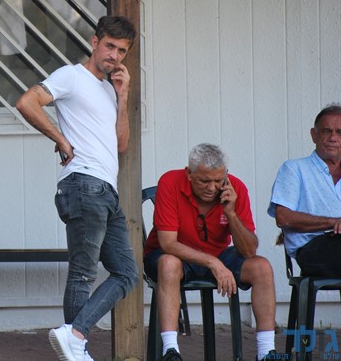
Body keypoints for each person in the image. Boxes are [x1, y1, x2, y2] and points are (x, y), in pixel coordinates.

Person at [16, 15, 139, 361]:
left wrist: (123, 95)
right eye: (110, 46)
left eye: (122, 51)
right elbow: (26, 102)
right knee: (83, 273)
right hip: (84, 184)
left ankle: (74, 337)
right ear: (94, 42)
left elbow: (122, 144)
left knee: (128, 273)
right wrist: (60, 138)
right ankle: (75, 343)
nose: (114, 55)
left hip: (106, 190)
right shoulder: (71, 76)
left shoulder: (109, 89)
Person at [143, 143, 278, 361]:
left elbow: (249, 251)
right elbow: (168, 244)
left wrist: (231, 213)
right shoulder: (170, 181)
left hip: (218, 253)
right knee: (169, 263)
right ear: (189, 173)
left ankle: (266, 351)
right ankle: (170, 350)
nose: (212, 188)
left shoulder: (236, 188)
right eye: (204, 181)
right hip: (174, 255)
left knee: (261, 267)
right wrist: (213, 263)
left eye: (218, 180)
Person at [268, 103, 341, 276]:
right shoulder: (294, 169)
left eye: (339, 132)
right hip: (311, 250)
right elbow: (283, 218)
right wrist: (335, 222)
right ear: (314, 135)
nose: (333, 138)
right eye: (326, 131)